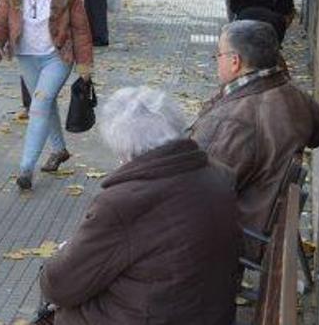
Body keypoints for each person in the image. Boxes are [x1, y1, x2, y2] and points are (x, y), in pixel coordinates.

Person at [39, 87, 239, 324]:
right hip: (207, 312)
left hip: (157, 315)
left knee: (58, 305)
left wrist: (60, 255)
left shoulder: (122, 204)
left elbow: (60, 285)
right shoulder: (218, 175)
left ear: (124, 149)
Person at [190, 21, 319, 253]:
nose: (217, 60)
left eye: (218, 54)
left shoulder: (232, 121)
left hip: (236, 233)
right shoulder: (295, 95)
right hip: (262, 220)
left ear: (235, 62)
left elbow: (196, 190)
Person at [0, 0, 93, 190]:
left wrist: (85, 64)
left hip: (58, 55)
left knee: (40, 103)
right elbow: (0, 17)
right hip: (26, 55)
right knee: (43, 102)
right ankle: (59, 149)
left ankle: (25, 168)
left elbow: (80, 26)